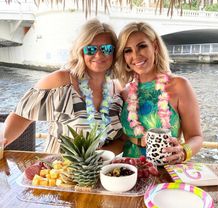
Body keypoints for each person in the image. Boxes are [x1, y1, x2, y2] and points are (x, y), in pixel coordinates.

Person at [3, 18, 123, 153]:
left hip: (101, 171)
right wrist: (2, 140)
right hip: (57, 169)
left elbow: (120, 141)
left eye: (106, 48)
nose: (98, 54)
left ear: (114, 52)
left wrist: (100, 156)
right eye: (90, 49)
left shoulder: (117, 91)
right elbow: (21, 116)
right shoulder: (61, 82)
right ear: (81, 51)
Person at [114, 22, 203, 163]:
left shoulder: (180, 85)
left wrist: (183, 152)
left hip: (164, 173)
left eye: (142, 46)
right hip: (130, 172)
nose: (135, 55)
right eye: (127, 50)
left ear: (154, 46)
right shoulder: (125, 92)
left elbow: (196, 137)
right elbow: (123, 138)